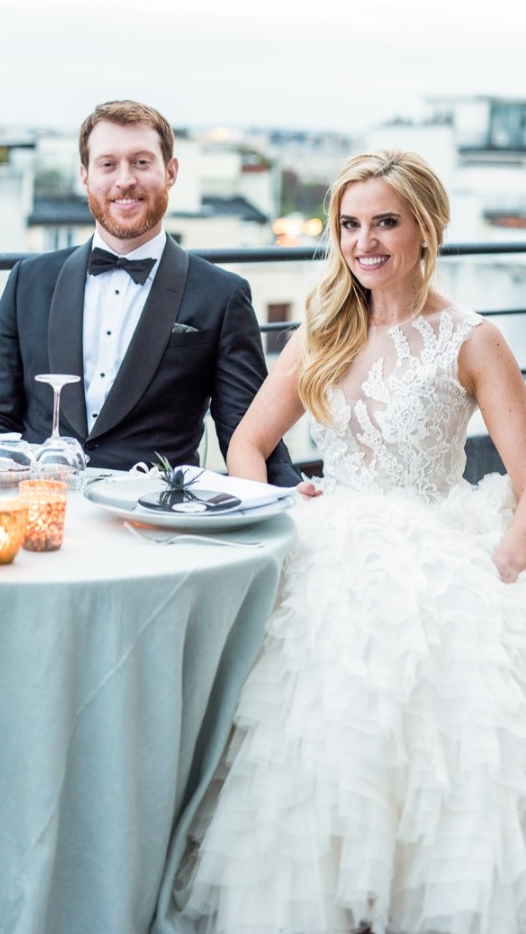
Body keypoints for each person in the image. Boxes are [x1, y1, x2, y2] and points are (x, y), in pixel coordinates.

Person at [177, 149, 526, 934]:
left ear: (427, 227)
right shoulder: (324, 331)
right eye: (350, 224)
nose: (364, 242)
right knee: (303, 740)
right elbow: (245, 441)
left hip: (431, 558)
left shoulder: (474, 340)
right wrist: (275, 495)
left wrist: (506, 561)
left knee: (419, 748)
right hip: (327, 538)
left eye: (385, 223)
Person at [0, 99, 299, 484]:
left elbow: (249, 431)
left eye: (141, 162)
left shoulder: (221, 296)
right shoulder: (30, 280)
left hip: (153, 519)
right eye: (108, 164)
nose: (125, 180)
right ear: (85, 176)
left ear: (170, 172)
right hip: (44, 505)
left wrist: (290, 497)